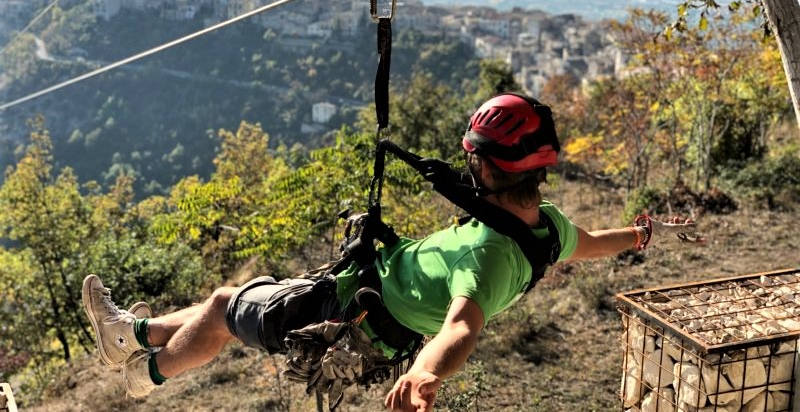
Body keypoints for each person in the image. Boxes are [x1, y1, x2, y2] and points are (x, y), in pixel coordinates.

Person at [81, 93, 702, 411]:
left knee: (223, 307)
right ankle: (132, 334)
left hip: (350, 320)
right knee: (243, 295)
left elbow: (462, 326)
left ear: (489, 168)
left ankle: (144, 373)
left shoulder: (487, 258)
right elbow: (589, 245)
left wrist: (427, 373)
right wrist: (641, 234)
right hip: (363, 301)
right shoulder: (548, 228)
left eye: (473, 159)